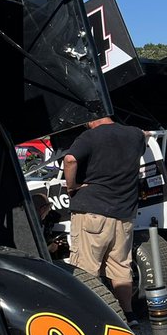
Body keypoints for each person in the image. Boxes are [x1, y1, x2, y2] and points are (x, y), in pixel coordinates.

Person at [62, 116, 147, 321]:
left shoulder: (90, 136)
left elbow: (70, 159)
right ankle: (128, 314)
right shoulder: (135, 134)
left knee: (85, 268)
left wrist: (72, 185)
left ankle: (86, 317)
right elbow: (146, 134)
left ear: (91, 119)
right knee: (121, 267)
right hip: (124, 214)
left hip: (92, 210)